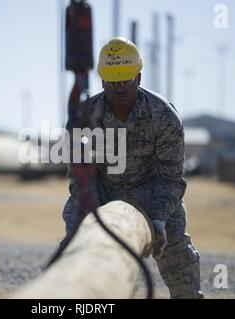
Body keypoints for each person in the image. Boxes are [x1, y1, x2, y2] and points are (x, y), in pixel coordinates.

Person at [61, 36, 204, 299]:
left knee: (177, 254)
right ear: (102, 80)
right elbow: (80, 177)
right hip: (102, 191)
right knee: (76, 249)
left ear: (138, 77)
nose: (119, 88)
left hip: (153, 194)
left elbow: (170, 178)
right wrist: (91, 212)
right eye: (112, 81)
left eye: (125, 80)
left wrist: (159, 216)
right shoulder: (84, 116)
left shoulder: (163, 116)